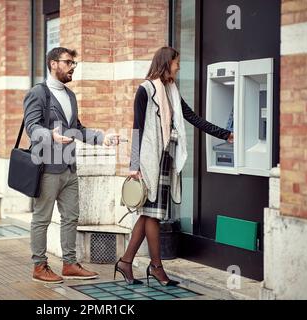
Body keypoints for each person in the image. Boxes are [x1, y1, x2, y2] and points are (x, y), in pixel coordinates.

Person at [114, 47, 234, 286]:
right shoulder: (145, 89)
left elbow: (191, 117)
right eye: (176, 63)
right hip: (150, 161)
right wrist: (134, 165)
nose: (179, 67)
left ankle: (126, 262)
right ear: (166, 63)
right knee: (153, 215)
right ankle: (156, 267)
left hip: (167, 158)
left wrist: (225, 134)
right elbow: (137, 128)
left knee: (150, 214)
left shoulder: (171, 90)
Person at [23, 47, 120, 284]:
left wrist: (102, 138)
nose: (72, 67)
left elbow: (78, 128)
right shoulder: (38, 93)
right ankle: (39, 265)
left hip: (69, 167)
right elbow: (31, 126)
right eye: (68, 62)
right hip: (46, 167)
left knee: (71, 217)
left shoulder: (70, 96)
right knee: (42, 218)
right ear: (53, 64)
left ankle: (69, 264)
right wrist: (50, 136)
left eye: (74, 63)